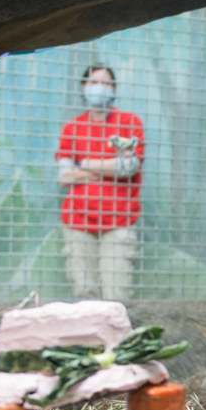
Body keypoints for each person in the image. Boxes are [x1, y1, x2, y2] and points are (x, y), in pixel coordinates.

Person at [55, 64, 145, 301]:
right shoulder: (72, 128)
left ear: (114, 89)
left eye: (106, 83)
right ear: (84, 87)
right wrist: (108, 166)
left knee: (117, 295)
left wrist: (83, 164)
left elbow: (128, 167)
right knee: (85, 293)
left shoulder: (129, 122)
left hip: (119, 222)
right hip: (78, 222)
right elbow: (64, 176)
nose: (99, 88)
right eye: (94, 82)